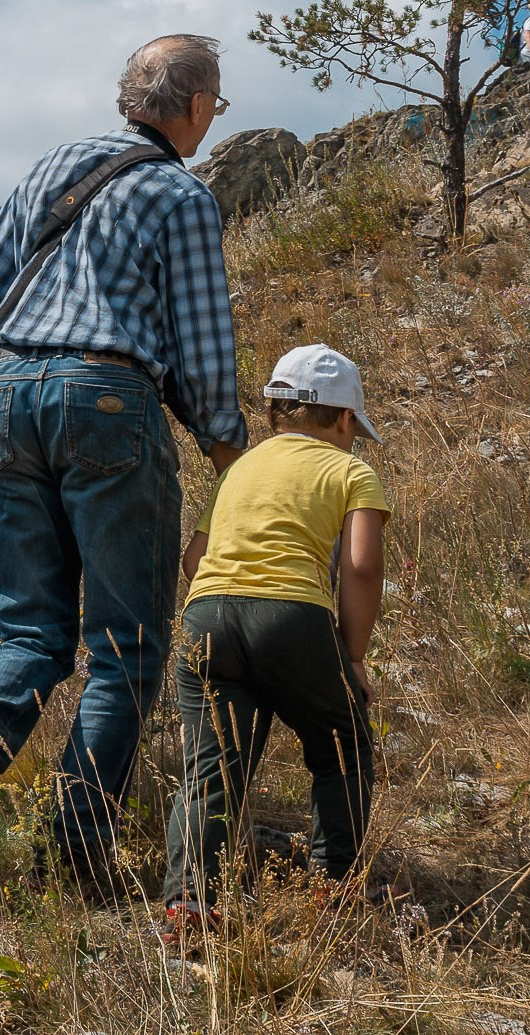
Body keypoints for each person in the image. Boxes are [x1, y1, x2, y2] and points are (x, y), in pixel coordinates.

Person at [0, 34, 249, 892]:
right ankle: (76, 844)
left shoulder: (54, 164)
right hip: (108, 400)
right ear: (195, 104)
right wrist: (231, 458)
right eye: (215, 101)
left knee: (31, 629)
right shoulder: (181, 194)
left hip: (3, 400)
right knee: (128, 645)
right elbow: (206, 352)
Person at [163, 344, 389, 934]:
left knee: (210, 767)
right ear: (344, 420)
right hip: (294, 618)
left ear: (271, 414)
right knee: (342, 745)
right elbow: (362, 569)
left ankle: (189, 907)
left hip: (206, 617)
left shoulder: (239, 469)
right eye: (352, 428)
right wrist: (353, 656)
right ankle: (333, 893)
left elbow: (195, 559)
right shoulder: (350, 470)